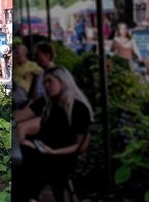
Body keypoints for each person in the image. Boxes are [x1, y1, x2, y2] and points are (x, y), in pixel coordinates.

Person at [13, 67, 93, 202]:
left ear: (63, 81)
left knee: (27, 168)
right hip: (42, 150)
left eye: (50, 82)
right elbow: (21, 116)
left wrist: (53, 152)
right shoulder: (47, 103)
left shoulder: (79, 109)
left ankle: (30, 196)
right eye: (45, 82)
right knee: (22, 162)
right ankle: (29, 196)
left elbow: (79, 145)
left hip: (63, 156)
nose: (46, 86)